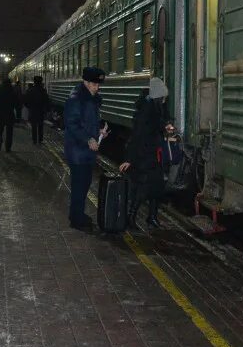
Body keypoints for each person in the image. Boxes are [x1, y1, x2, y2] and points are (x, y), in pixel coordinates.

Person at [119, 77, 168, 229]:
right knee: (142, 189)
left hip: (154, 154)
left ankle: (152, 217)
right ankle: (130, 217)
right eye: (163, 97)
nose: (165, 99)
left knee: (157, 187)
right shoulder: (146, 111)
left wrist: (166, 128)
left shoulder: (154, 107)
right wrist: (129, 159)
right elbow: (136, 136)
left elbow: (156, 129)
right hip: (144, 156)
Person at [64, 66, 108, 230]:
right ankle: (76, 220)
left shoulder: (89, 99)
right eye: (94, 84)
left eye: (98, 84)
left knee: (83, 184)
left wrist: (99, 132)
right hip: (78, 151)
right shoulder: (77, 99)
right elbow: (72, 124)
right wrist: (88, 139)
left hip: (85, 151)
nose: (97, 87)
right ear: (86, 82)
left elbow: (87, 124)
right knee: (79, 185)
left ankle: (77, 214)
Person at [0, 77, 18, 152]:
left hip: (0, 113)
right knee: (9, 132)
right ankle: (8, 148)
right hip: (10, 114)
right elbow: (17, 104)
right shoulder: (12, 92)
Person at [24, 75, 51, 145]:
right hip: (41, 111)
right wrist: (47, 109)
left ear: (34, 82)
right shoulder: (43, 91)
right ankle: (40, 140)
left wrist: (29, 107)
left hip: (33, 110)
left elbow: (26, 101)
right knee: (40, 125)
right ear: (41, 82)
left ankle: (34, 140)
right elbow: (47, 101)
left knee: (34, 126)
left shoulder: (30, 90)